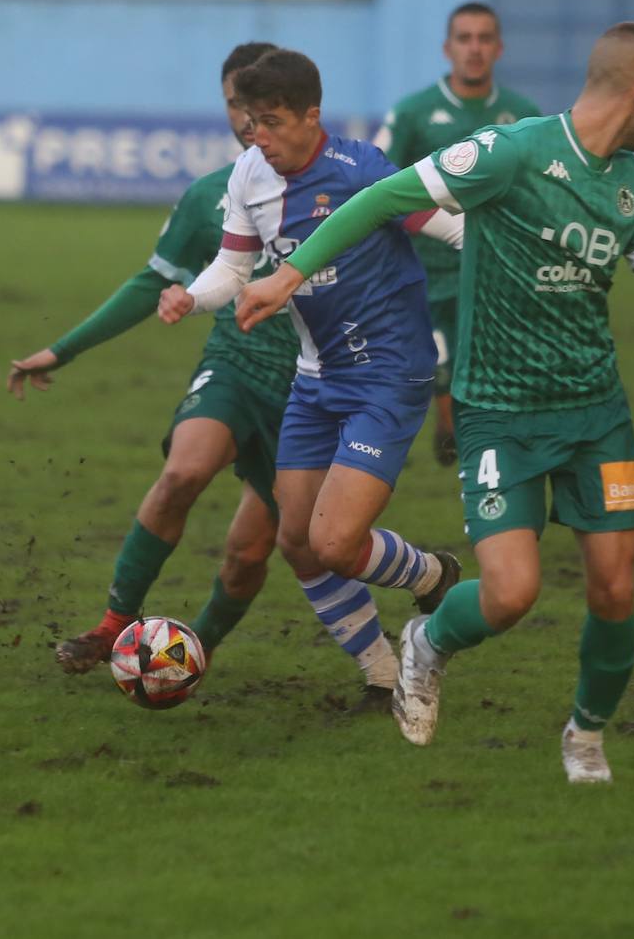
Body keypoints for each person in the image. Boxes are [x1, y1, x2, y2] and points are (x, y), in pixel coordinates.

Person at [236, 23, 634, 782]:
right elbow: (379, 199)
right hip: (499, 410)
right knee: (511, 592)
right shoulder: (511, 152)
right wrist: (288, 275)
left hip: (596, 414)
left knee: (615, 585)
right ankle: (427, 645)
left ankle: (586, 737)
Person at [157, 48, 466, 709]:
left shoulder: (364, 171)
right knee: (298, 543)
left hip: (388, 377)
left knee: (334, 541)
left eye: (270, 121)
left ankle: (433, 572)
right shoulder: (248, 175)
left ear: (311, 116)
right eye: (248, 120)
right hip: (315, 377)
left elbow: (454, 228)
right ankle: (383, 671)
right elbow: (231, 268)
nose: (256, 135)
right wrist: (192, 295)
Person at [7, 41, 302, 675]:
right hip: (237, 363)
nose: (248, 118)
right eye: (236, 104)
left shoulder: (338, 188)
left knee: (250, 554)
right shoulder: (210, 196)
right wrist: (63, 349)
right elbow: (151, 283)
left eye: (262, 106)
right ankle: (112, 625)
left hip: (312, 388)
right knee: (181, 476)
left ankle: (186, 655)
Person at [373, 2, 541, 465]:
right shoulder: (413, 113)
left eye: (484, 39)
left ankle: (476, 444)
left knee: (486, 374)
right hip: (420, 271)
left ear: (499, 48)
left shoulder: (523, 116)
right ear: (448, 48)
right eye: (464, 38)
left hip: (491, 273)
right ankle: (444, 432)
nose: (474, 48)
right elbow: (375, 179)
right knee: (437, 369)